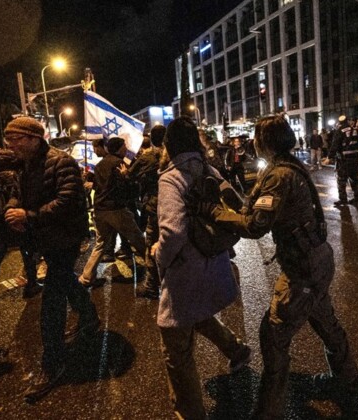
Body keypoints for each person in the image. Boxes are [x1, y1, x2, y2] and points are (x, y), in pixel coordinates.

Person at [202, 115, 358, 419]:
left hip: (302, 269)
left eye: (256, 136)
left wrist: (212, 212)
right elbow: (254, 209)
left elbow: (254, 225)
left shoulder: (278, 175)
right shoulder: (288, 166)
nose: (252, 141)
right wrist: (227, 194)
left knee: (273, 336)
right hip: (316, 260)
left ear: (266, 141)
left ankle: (268, 411)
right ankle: (348, 379)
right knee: (324, 320)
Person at [154, 116, 251, 420]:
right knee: (198, 314)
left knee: (175, 347)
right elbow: (237, 205)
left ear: (167, 146)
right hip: (214, 260)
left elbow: (172, 232)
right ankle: (237, 350)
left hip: (186, 270)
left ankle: (190, 412)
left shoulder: (171, 178)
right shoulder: (210, 169)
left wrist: (158, 256)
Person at [2, 116, 100, 401]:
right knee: (65, 280)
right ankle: (89, 315)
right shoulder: (23, 166)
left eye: (16, 139)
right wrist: (12, 211)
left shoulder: (62, 162)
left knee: (52, 299)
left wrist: (29, 216)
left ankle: (53, 363)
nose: (11, 145)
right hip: (42, 236)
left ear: (34, 138)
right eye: (9, 139)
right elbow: (14, 195)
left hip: (66, 237)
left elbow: (68, 200)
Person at [79, 136, 147, 287]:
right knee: (137, 238)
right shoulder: (118, 164)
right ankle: (156, 267)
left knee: (101, 243)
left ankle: (86, 277)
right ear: (118, 148)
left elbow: (97, 186)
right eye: (123, 146)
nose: (126, 149)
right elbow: (124, 189)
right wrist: (127, 178)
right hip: (116, 209)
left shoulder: (99, 165)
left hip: (100, 209)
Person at [0, 149, 41, 305]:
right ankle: (31, 284)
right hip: (17, 219)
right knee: (27, 251)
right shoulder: (17, 176)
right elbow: (24, 197)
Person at [126, 125, 165, 299]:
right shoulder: (173, 156)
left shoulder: (147, 157)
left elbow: (129, 176)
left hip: (155, 206)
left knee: (152, 244)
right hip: (175, 205)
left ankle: (151, 286)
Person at [327, 115, 358, 205]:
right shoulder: (355, 130)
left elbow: (335, 145)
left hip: (343, 159)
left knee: (341, 180)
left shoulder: (339, 131)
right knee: (354, 179)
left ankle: (343, 199)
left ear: (339, 122)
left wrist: (329, 157)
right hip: (354, 158)